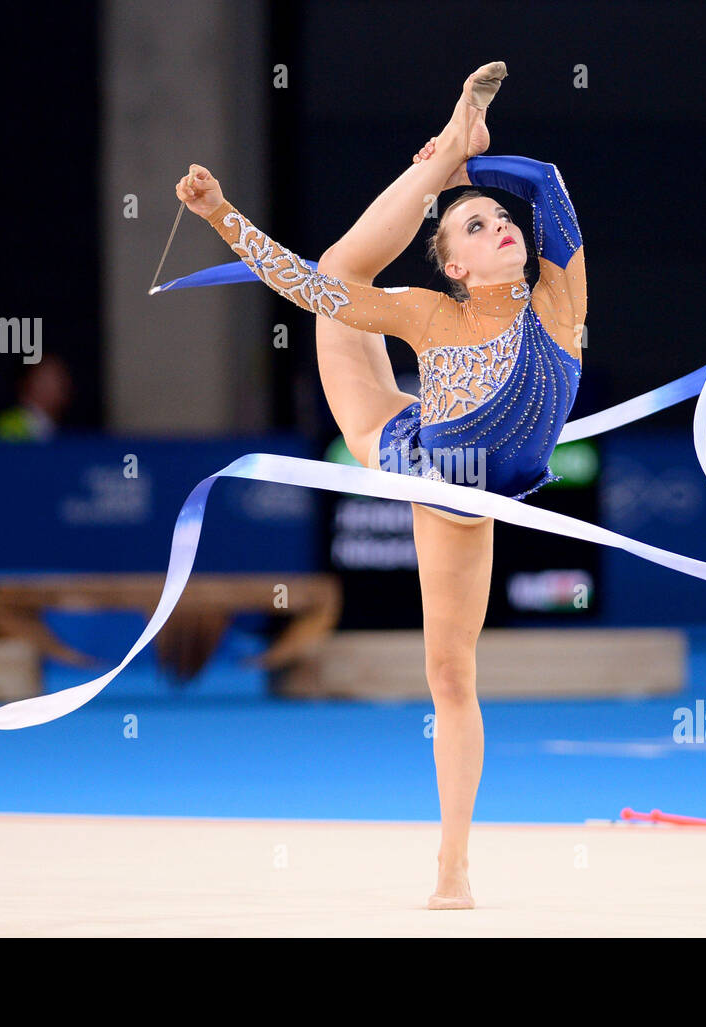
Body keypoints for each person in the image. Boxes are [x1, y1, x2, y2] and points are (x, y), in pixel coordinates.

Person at [176, 60, 586, 910]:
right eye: (473, 227)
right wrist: (221, 216)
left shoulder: (559, 301)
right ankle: (452, 870)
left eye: (498, 221)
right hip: (413, 461)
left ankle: (453, 866)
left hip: (473, 499)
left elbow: (545, 186)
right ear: (457, 269)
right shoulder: (431, 316)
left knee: (453, 674)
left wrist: (469, 161)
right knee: (337, 276)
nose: (498, 225)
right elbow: (312, 288)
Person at [0, 354, 74, 441]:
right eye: (47, 378)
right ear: (27, 382)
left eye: (61, 377)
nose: (61, 384)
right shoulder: (5, 429)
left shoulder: (63, 430)